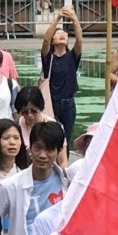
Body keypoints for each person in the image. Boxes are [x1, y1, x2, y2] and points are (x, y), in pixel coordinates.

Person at [0, 119, 70, 235]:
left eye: (49, 149)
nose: (42, 155)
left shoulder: (67, 181)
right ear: (30, 147)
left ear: (59, 150)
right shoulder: (10, 186)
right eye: (38, 148)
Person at [37, 8, 83, 140]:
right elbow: (45, 42)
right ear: (53, 40)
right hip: (51, 102)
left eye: (65, 34)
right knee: (51, 137)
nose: (62, 35)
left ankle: (64, 160)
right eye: (58, 34)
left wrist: (74, 18)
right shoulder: (49, 57)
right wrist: (57, 19)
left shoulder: (72, 57)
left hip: (68, 103)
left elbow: (79, 41)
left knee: (66, 138)